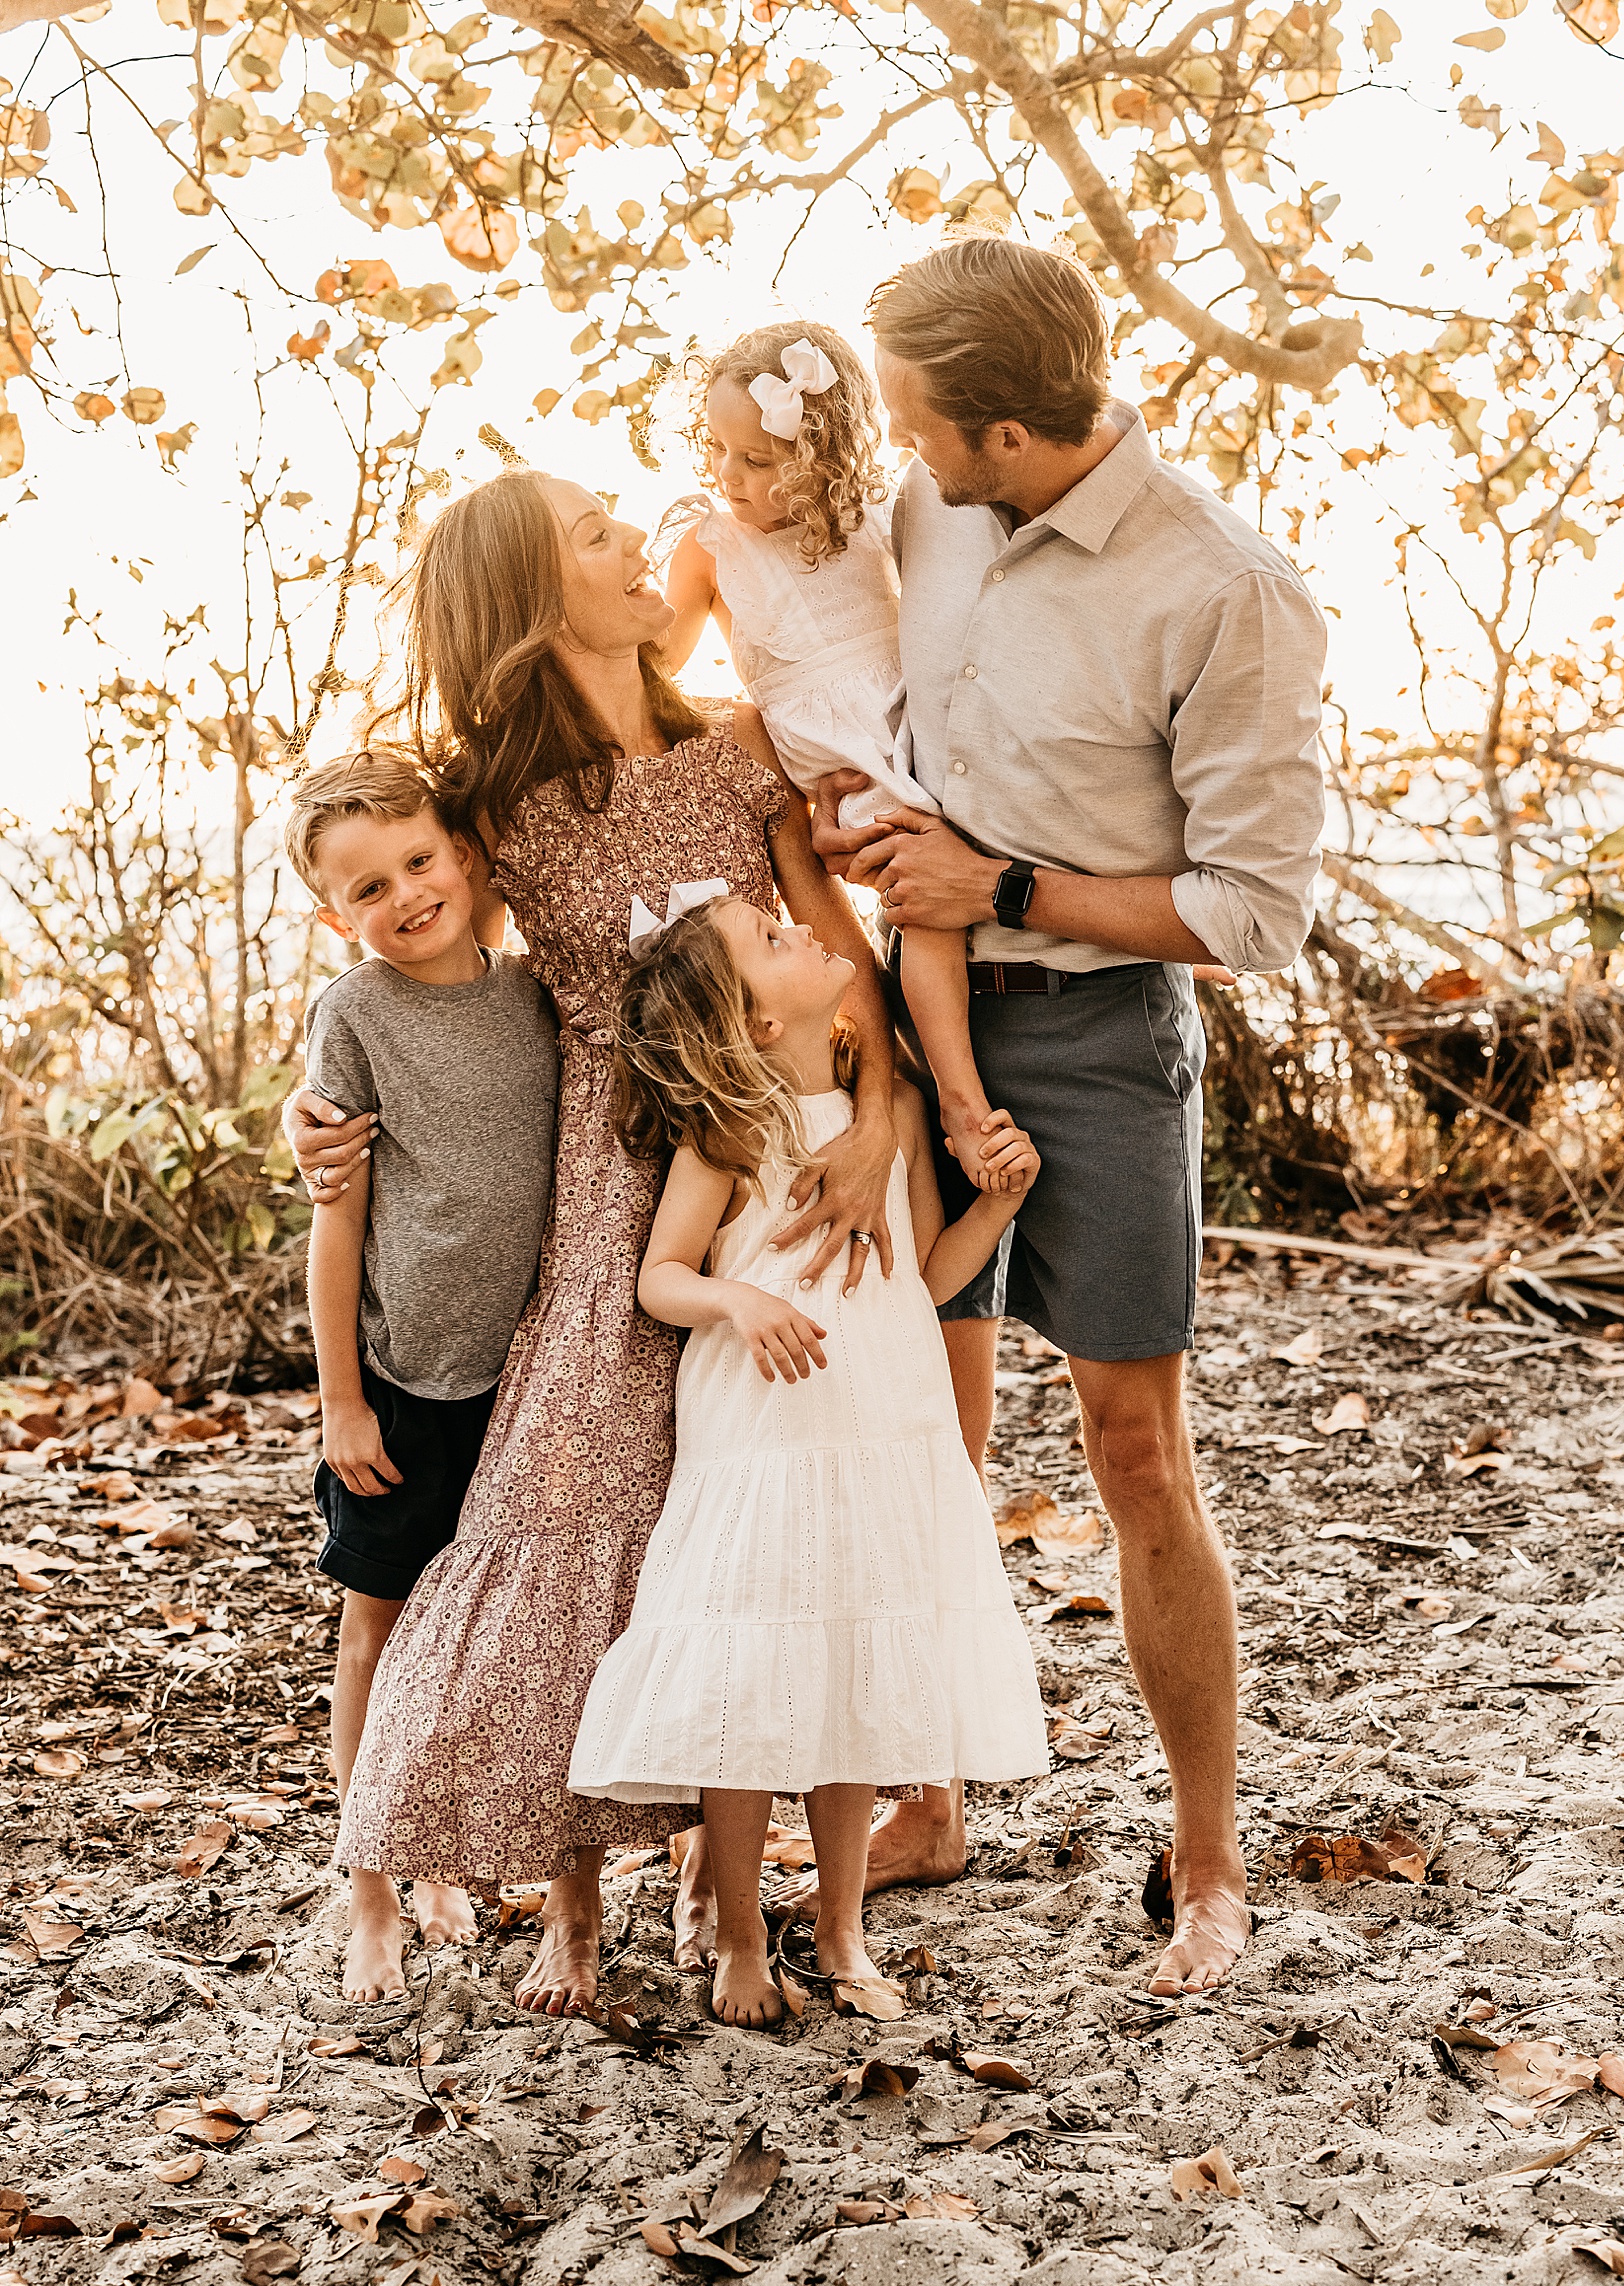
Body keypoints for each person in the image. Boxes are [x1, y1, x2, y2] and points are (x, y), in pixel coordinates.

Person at [288, 467, 899, 2018]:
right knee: (590, 1502)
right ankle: (570, 1896)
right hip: (612, 1181)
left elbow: (835, 952)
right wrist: (317, 1113)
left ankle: (726, 1856)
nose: (636, 540)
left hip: (770, 1159)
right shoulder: (486, 797)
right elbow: (410, 968)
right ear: (527, 590)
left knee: (757, 1506)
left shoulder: (734, 749)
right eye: (596, 534)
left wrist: (882, 1119)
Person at [816, 237, 1328, 1994]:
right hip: (906, 1026)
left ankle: (1205, 1860)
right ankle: (932, 1795)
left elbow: (1257, 915)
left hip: (1106, 1046)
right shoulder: (933, 510)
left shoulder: (1224, 590)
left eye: (915, 423)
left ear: (1013, 431)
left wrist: (1005, 879)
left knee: (1133, 1454)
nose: (902, 452)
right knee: (918, 1444)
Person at [567, 889, 1047, 2028]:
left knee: (856, 1689)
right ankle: (740, 1935)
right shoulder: (730, 1136)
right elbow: (661, 1277)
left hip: (882, 1422)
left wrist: (998, 1207)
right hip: (765, 1436)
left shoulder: (891, 1120)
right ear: (759, 1026)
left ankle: (839, 1931)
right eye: (772, 941)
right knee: (746, 1682)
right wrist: (737, 1302)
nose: (799, 930)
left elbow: (920, 1280)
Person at [288, 749, 560, 2001]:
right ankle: (375, 1890)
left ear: (462, 854)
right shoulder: (354, 1015)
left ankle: (456, 1848)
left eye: (416, 861)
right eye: (365, 888)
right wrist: (340, 1396)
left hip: (536, 1380)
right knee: (380, 1629)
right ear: (331, 912)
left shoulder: (535, 992)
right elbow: (335, 1217)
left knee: (497, 1634)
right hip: (407, 1379)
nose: (402, 894)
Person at [660, 319, 1020, 1194]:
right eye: (718, 451)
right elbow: (655, 672)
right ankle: (955, 1098)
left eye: (758, 459)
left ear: (823, 456)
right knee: (921, 911)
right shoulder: (711, 544)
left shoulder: (880, 516)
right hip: (840, 764)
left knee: (978, 873)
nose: (729, 477)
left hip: (918, 727)